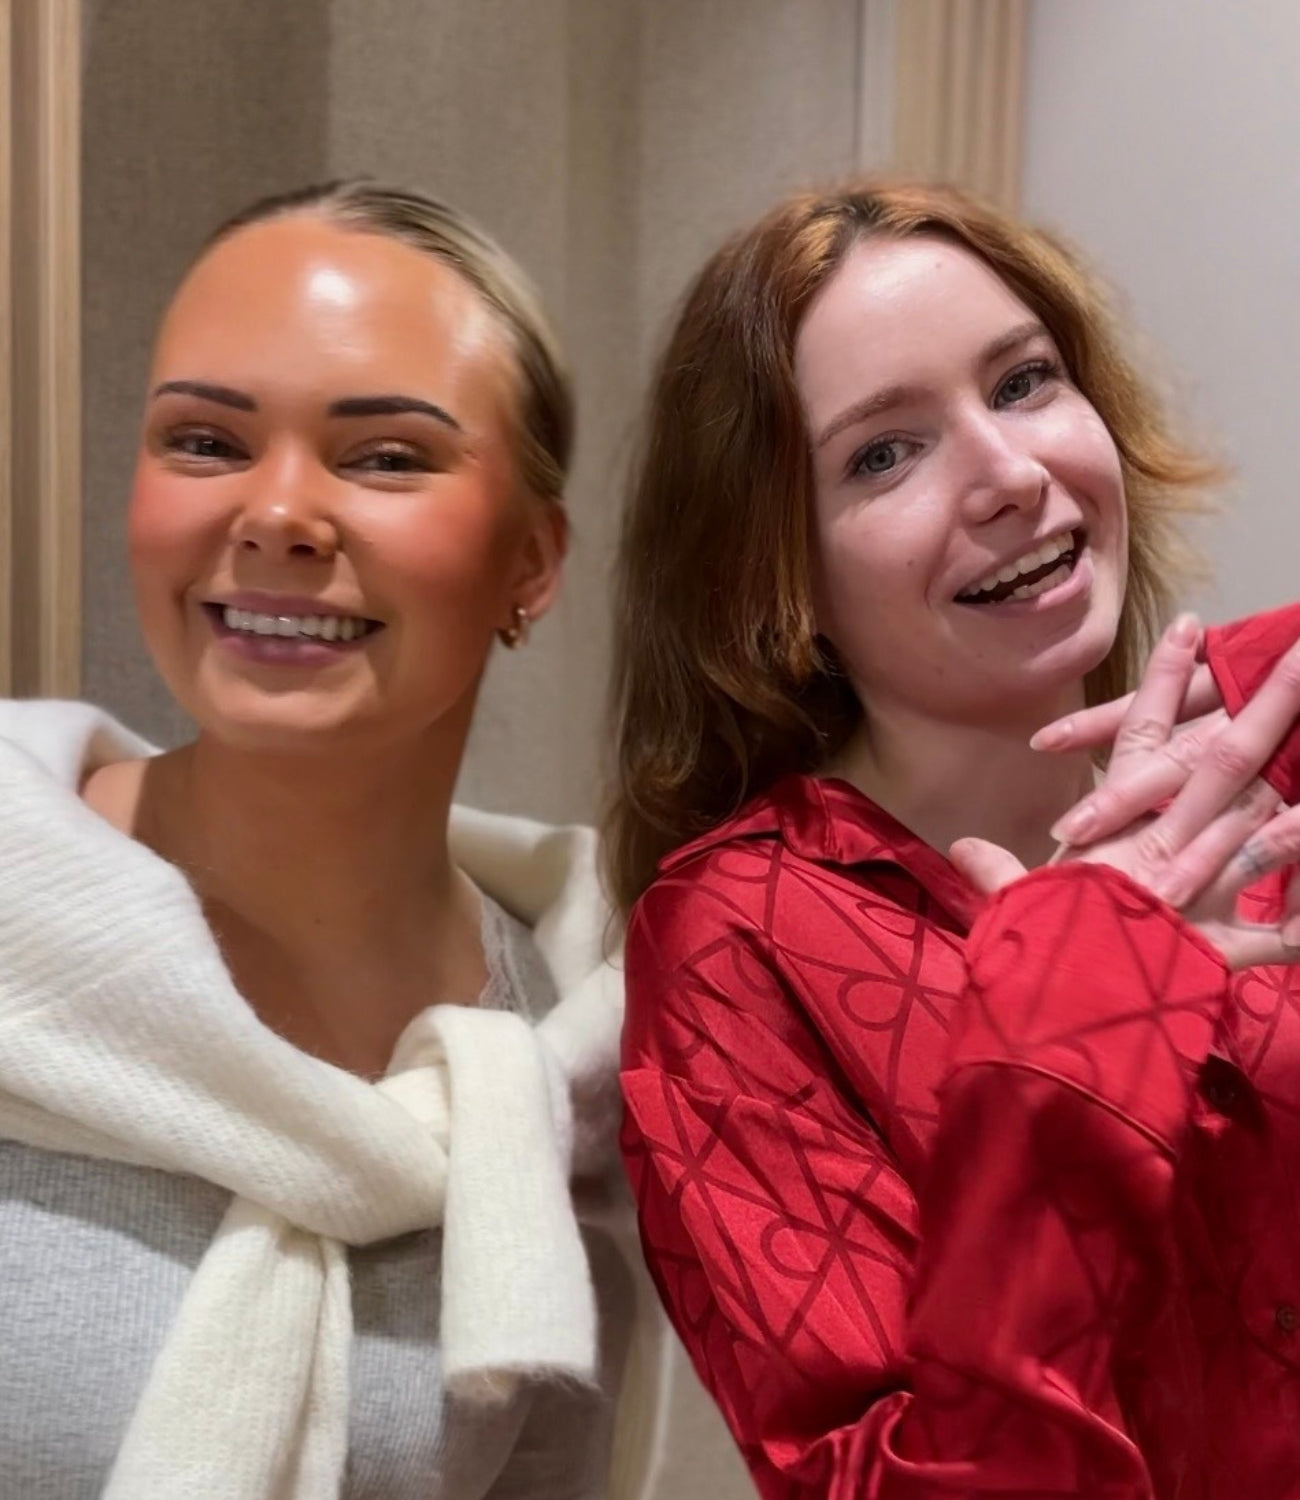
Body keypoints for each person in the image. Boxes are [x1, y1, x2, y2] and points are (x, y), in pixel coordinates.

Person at [607, 178, 1300, 1498]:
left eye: (1025, 383)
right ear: (778, 575)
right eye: (884, 453)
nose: (1009, 475)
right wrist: (1081, 1022)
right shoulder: (737, 948)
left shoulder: (1260, 784)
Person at [0, 180, 663, 1500]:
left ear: (532, 562)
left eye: (385, 457)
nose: (277, 512)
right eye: (205, 442)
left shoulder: (571, 1066)